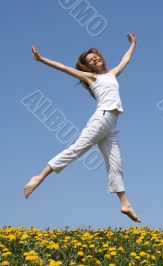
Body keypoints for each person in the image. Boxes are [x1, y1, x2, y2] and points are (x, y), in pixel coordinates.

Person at [23, 32, 141, 223]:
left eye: (96, 57)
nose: (95, 59)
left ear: (101, 58)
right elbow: (63, 68)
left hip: (111, 125)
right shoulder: (91, 77)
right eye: (91, 60)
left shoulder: (112, 74)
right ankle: (39, 176)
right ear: (88, 67)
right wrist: (41, 59)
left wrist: (133, 44)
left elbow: (125, 60)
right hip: (102, 118)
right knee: (77, 149)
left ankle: (125, 203)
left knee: (116, 164)